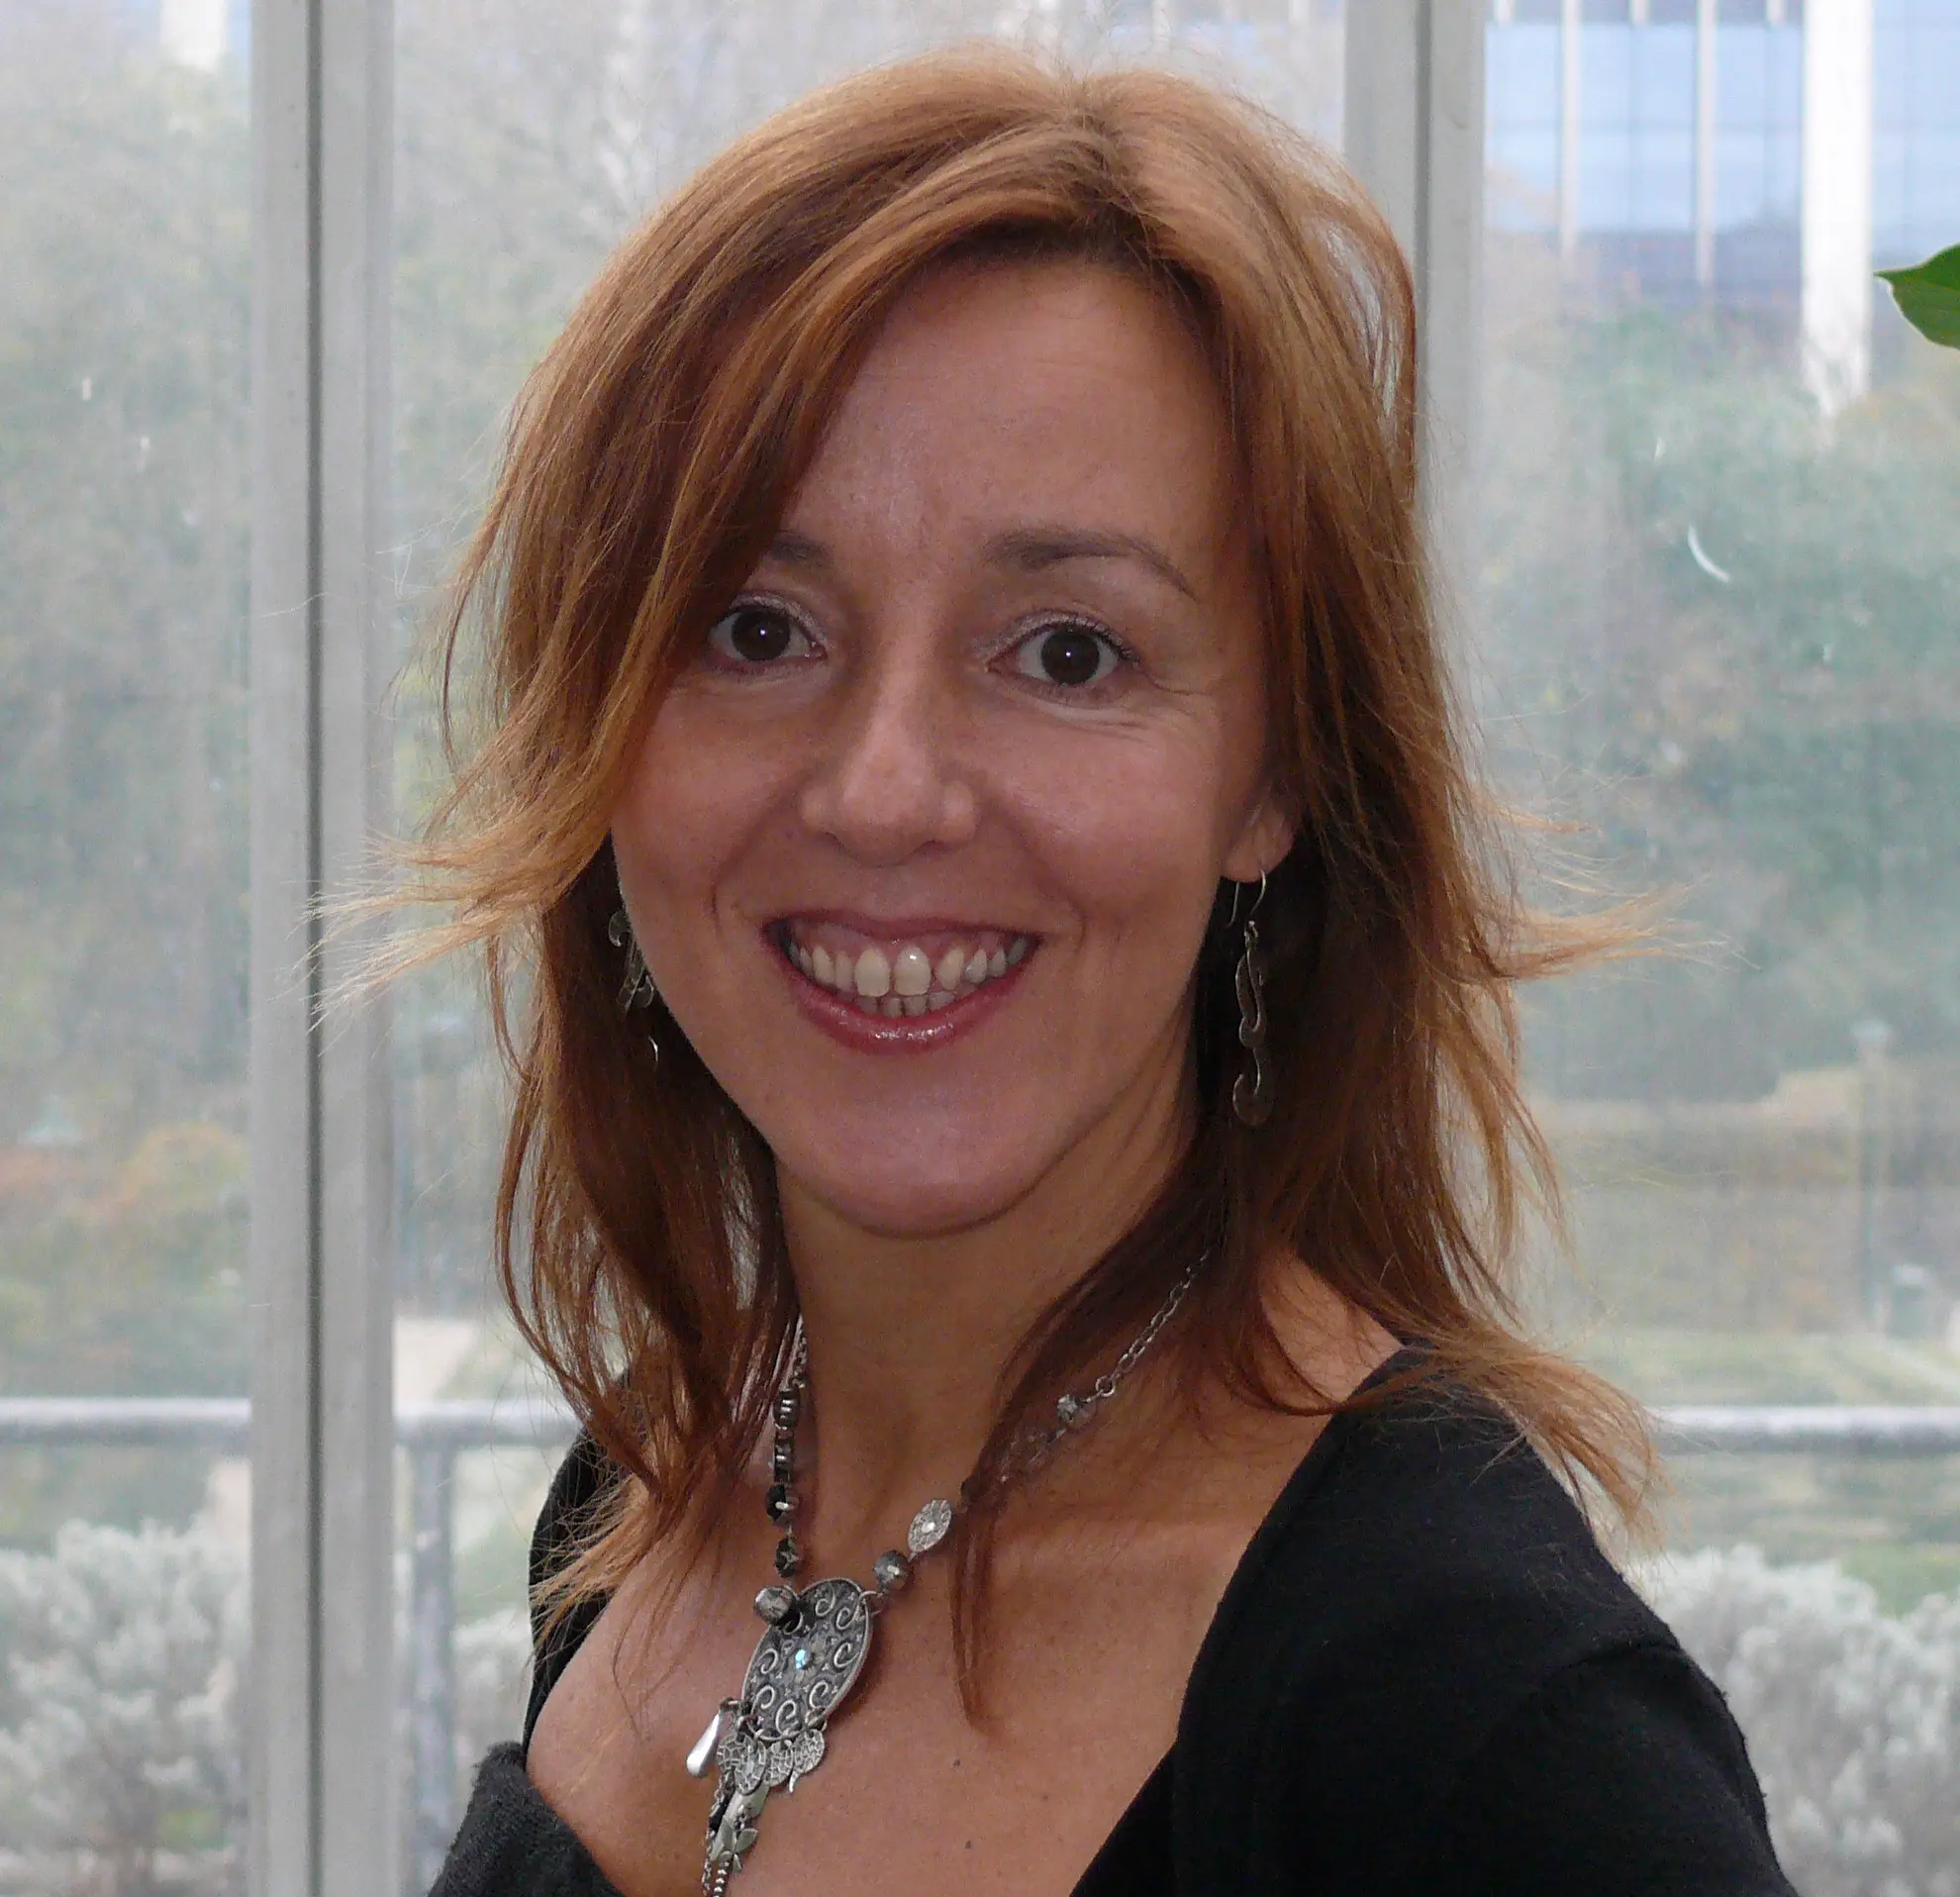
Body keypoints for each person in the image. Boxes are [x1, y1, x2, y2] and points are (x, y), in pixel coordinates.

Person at [420, 49, 1795, 1897]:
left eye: (1067, 652)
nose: (884, 790)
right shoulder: (648, 1493)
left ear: (1278, 772)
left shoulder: (1484, 1736)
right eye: (756, 628)